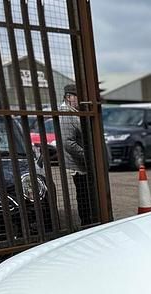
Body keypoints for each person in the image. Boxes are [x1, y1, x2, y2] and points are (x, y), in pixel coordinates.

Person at [60, 83, 95, 226]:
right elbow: (68, 142)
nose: (81, 101)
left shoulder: (74, 111)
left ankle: (90, 222)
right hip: (79, 166)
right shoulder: (67, 114)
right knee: (84, 197)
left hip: (82, 165)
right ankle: (87, 223)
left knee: (87, 196)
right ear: (69, 97)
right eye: (78, 97)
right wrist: (87, 155)